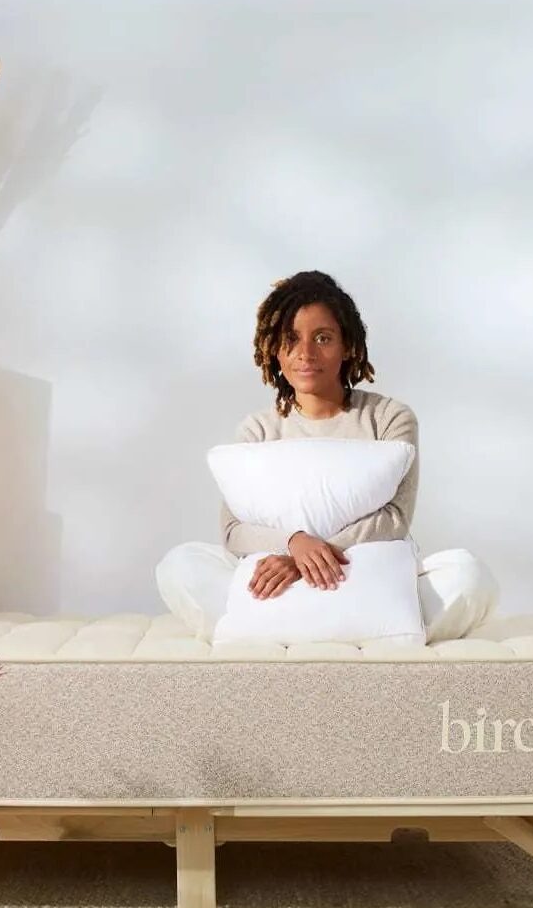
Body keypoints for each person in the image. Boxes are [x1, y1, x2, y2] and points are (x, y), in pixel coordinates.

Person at [156, 270, 498, 641]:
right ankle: (333, 627)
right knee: (180, 566)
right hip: (277, 577)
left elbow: (395, 517)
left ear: (348, 345)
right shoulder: (257, 431)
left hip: (359, 570)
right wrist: (294, 544)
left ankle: (317, 627)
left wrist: (308, 559)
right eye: (291, 339)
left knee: (469, 575)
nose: (306, 353)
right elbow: (233, 530)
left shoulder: (389, 418)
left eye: (323, 338)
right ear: (274, 348)